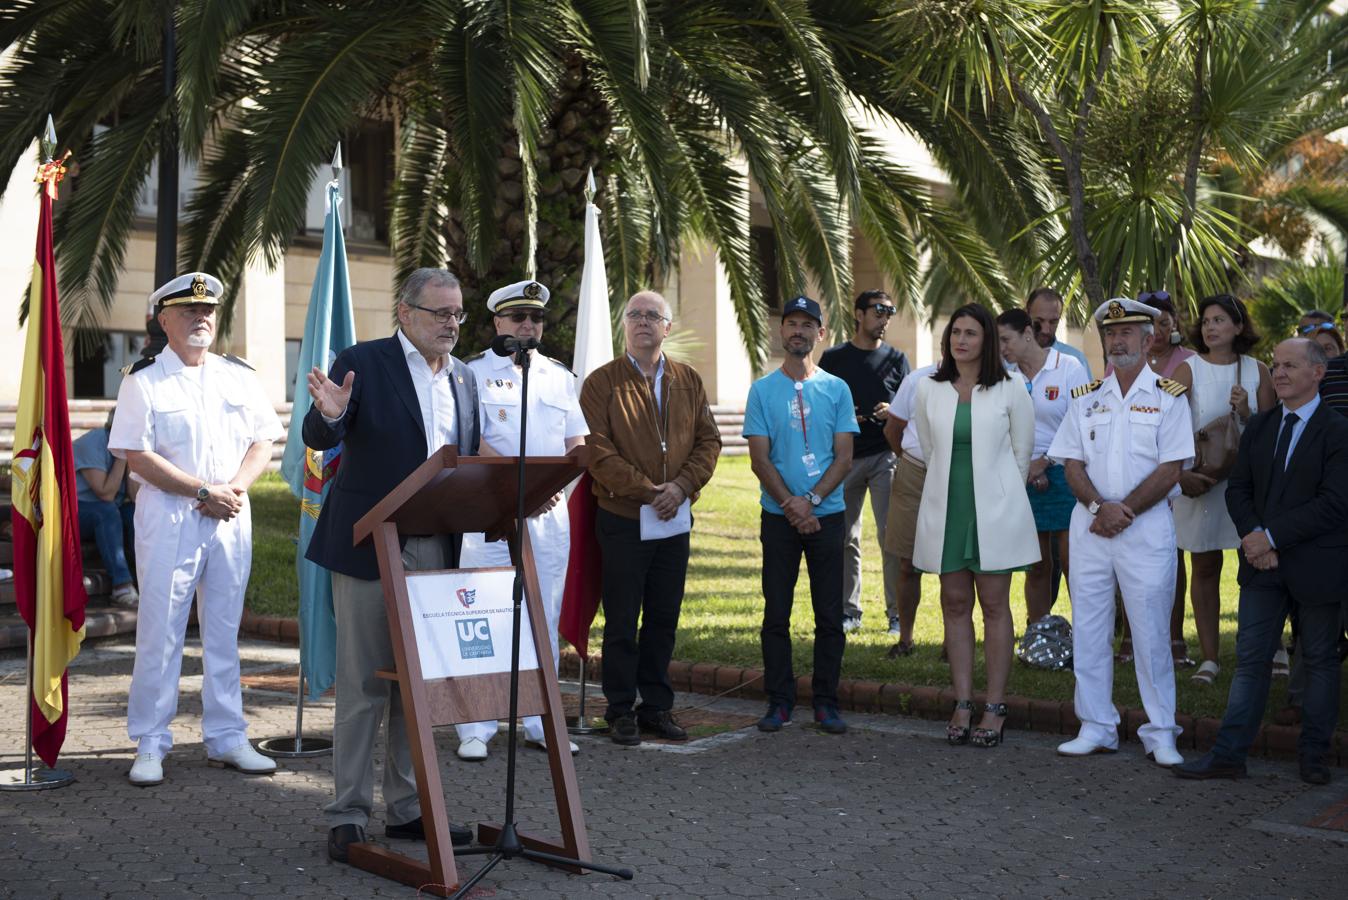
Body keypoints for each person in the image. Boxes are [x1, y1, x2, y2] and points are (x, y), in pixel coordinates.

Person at [303, 268, 481, 863]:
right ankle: (349, 814)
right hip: (370, 541)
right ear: (404, 313)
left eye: (458, 313)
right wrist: (329, 415)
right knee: (363, 685)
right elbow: (320, 427)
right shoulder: (365, 362)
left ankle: (407, 810)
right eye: (440, 313)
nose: (452, 324)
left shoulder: (463, 378)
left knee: (417, 689)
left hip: (438, 544)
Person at [108, 272, 284, 787]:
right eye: (188, 311)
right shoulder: (143, 379)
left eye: (207, 311)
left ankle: (228, 736)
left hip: (230, 513)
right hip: (170, 517)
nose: (201, 318)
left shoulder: (239, 376)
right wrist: (201, 491)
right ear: (164, 320)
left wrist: (230, 490)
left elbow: (262, 441)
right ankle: (151, 741)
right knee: (161, 630)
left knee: (227, 630)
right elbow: (135, 452)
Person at [1175, 338, 1348, 785]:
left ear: (1318, 372)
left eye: (1290, 365)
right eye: (1275, 365)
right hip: (1261, 566)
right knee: (1251, 661)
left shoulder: (1339, 431)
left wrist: (1270, 536)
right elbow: (1239, 490)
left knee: (1322, 662)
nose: (1280, 372)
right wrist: (1255, 537)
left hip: (1316, 567)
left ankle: (1314, 756)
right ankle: (1229, 755)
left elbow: (1334, 503)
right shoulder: (1261, 426)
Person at [1049, 298, 1193, 767]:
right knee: (1089, 629)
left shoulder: (1169, 395)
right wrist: (1098, 506)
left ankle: (1161, 732)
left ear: (1149, 339)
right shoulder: (1086, 396)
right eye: (1111, 334)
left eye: (1127, 332)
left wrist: (1122, 510)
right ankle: (1096, 726)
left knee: (1151, 632)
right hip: (1090, 525)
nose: (1118, 341)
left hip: (1144, 528)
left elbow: (1172, 468)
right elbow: (1071, 463)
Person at [579, 290, 721, 747]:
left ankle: (656, 708)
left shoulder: (688, 380)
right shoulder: (602, 382)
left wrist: (680, 488)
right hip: (622, 517)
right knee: (621, 618)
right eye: (635, 315)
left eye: (652, 316)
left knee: (663, 616)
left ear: (667, 327)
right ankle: (621, 710)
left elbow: (708, 442)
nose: (643, 322)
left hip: (674, 519)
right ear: (625, 325)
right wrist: (647, 491)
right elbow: (595, 449)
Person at [453, 280, 586, 762]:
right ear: (497, 323)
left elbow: (576, 445)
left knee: (543, 617)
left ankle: (539, 719)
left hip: (548, 520)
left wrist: (549, 491)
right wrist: (517, 494)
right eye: (517, 317)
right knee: (481, 617)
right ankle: (476, 724)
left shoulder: (559, 376)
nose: (527, 326)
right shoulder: (470, 373)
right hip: (490, 516)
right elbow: (472, 440)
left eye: (535, 318)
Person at [914, 303, 1038, 748]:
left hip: (996, 513)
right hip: (949, 510)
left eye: (970, 333)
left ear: (986, 341)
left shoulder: (1011, 387)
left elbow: (1023, 453)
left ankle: (995, 706)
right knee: (953, 602)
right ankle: (963, 702)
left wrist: (1001, 499)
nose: (960, 340)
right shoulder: (929, 389)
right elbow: (930, 451)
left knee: (994, 605)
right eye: (955, 333)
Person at [745, 296, 858, 736]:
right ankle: (779, 700)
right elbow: (759, 459)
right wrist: (792, 506)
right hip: (778, 518)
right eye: (790, 323)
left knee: (830, 615)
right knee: (777, 612)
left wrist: (809, 500)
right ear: (781, 331)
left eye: (807, 325)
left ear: (821, 334)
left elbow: (845, 457)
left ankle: (826, 702)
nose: (798, 331)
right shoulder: (761, 390)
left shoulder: (837, 389)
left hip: (827, 517)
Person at [1171, 295, 1274, 687]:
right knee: (1205, 564)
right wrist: (1181, 473)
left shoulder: (1258, 370)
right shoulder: (1187, 369)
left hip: (1246, 483)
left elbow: (1269, 433)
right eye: (1206, 320)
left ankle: (1268, 649)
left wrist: (1247, 412)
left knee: (1257, 567)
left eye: (1220, 320)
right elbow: (1166, 422)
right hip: (1203, 481)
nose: (1211, 327)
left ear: (1238, 327)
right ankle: (1210, 658)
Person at [818, 289, 910, 635]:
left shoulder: (897, 359)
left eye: (889, 311)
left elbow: (910, 407)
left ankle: (896, 615)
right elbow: (820, 403)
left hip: (885, 457)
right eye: (878, 310)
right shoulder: (834, 358)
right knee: (845, 537)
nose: (884, 318)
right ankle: (849, 612)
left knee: (891, 538)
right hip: (845, 460)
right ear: (858, 314)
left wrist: (893, 412)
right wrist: (845, 416)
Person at [1115, 290, 1197, 668]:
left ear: (1173, 325)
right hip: (1125, 479)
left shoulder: (1189, 364)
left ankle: (1174, 637)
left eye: (1165, 322)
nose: (1160, 331)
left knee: (1170, 562)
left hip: (1171, 475)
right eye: (1153, 324)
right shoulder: (1120, 365)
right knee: (1126, 564)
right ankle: (1129, 637)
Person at [995, 307, 1088, 631]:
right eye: (998, 341)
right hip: (1021, 475)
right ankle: (1037, 635)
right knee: (1035, 565)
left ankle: (1086, 637)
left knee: (1071, 560)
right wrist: (1027, 468)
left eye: (1006, 339)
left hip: (1066, 472)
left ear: (1028, 334)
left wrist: (1045, 461)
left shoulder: (1070, 367)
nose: (1002, 348)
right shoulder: (1004, 377)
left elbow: (1080, 420)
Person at [881, 362, 938, 656]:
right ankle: (905, 638)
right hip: (914, 474)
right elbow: (893, 428)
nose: (959, 344)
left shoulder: (980, 382)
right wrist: (908, 460)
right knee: (907, 561)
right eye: (953, 337)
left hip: (956, 477)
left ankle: (953, 642)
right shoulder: (917, 380)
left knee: (956, 568)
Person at [73, 409, 138, 606]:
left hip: (104, 511)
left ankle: (146, 580)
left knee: (136, 513)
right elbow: (106, 493)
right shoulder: (92, 442)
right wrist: (122, 456)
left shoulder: (130, 449)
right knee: (106, 511)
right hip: (73, 512)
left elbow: (135, 497)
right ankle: (122, 585)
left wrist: (130, 457)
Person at [1027, 287, 1092, 378]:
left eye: (1053, 322)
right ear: (1027, 315)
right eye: (1039, 320)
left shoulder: (1077, 361)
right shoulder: (1007, 360)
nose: (1046, 330)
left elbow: (1087, 392)